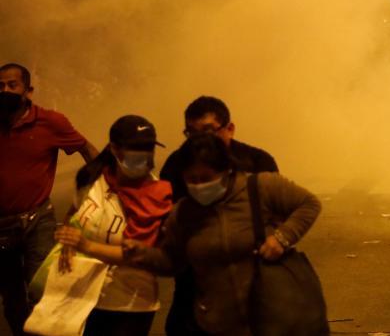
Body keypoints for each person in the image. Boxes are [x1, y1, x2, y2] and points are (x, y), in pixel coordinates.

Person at [59, 133, 322, 336]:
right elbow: (171, 261)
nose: (198, 185)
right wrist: (139, 253)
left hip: (272, 317)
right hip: (217, 324)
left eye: (205, 177)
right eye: (191, 179)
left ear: (226, 170)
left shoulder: (260, 187)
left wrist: (282, 237)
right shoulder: (184, 214)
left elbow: (309, 204)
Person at [159, 96, 279, 336]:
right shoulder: (175, 165)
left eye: (209, 131)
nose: (201, 140)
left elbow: (280, 214)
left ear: (230, 129)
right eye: (192, 133)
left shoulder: (257, 162)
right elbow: (167, 218)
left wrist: (276, 241)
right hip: (195, 279)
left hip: (248, 277)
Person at [0, 62, 98, 336]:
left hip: (38, 220)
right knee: (12, 300)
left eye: (12, 85)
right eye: (0, 86)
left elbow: (88, 150)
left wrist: (106, 188)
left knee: (41, 290)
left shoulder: (50, 122)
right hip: (2, 227)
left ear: (28, 91)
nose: (4, 91)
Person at [51, 115, 172, 336]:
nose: (144, 155)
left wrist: (86, 246)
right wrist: (68, 243)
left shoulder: (155, 195)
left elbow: (138, 254)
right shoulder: (91, 179)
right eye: (136, 148)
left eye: (148, 148)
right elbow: (72, 215)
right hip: (83, 298)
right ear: (115, 149)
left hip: (130, 304)